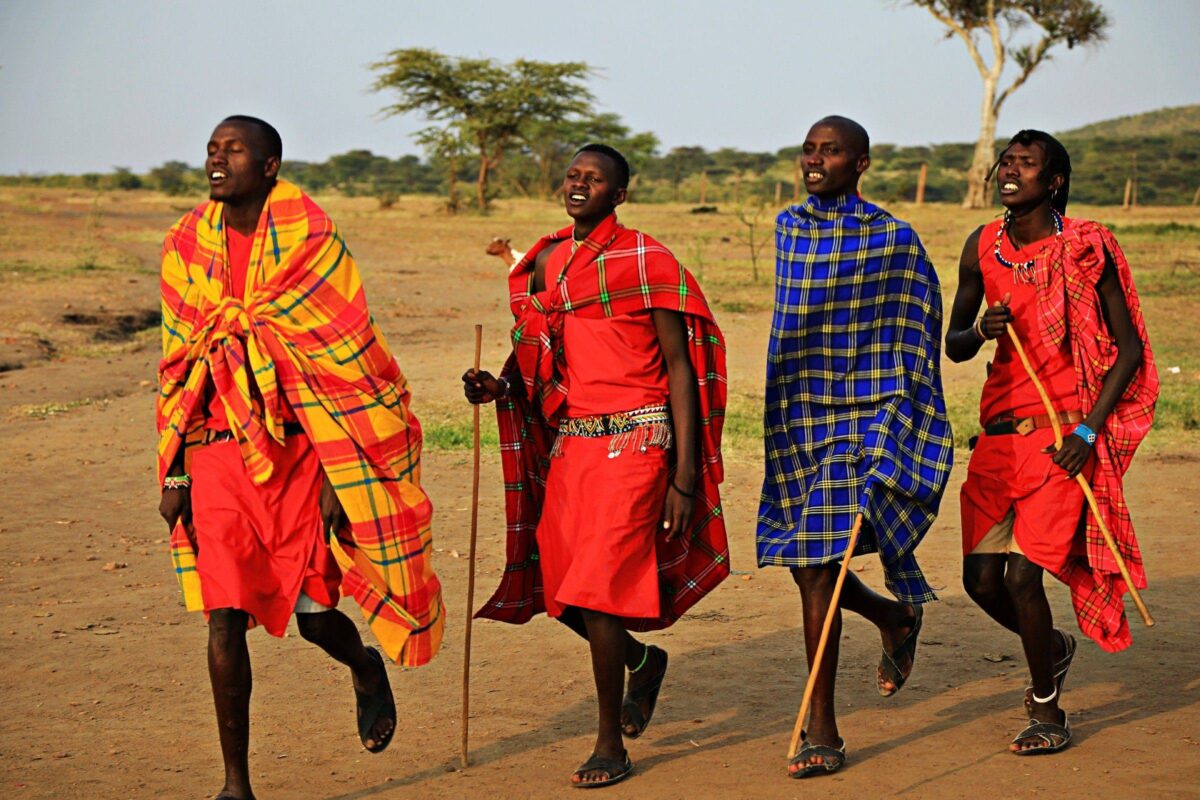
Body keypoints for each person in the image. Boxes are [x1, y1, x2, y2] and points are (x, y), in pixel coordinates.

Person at [157, 116, 444, 800]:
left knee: (317, 615)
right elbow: (178, 363)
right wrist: (174, 467)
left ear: (271, 165)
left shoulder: (311, 241)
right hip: (218, 455)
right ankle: (236, 786)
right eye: (212, 149)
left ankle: (364, 669)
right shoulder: (187, 243)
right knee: (224, 615)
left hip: (299, 455)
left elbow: (346, 364)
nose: (217, 160)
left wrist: (342, 475)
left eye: (234, 150)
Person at [463, 144, 729, 788]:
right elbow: (538, 357)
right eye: (574, 175)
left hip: (638, 444)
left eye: (596, 179)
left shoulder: (649, 260)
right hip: (573, 446)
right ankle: (641, 663)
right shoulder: (549, 261)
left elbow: (681, 372)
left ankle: (610, 741)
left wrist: (684, 478)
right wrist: (498, 389)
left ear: (620, 194)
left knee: (601, 589)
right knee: (561, 588)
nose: (580, 184)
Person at [946, 130, 1158, 755]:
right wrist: (980, 329)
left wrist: (1089, 430)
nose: (1010, 171)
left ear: (1054, 180)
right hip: (997, 440)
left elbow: (1129, 347)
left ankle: (1047, 711)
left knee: (1020, 578)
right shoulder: (981, 245)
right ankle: (1056, 648)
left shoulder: (1087, 248)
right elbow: (954, 343)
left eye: (1026, 164)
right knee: (980, 581)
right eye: (1006, 161)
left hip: (1062, 437)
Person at [757, 116, 953, 778]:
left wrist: (905, 409)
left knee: (818, 563)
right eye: (809, 149)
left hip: (868, 413)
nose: (815, 159)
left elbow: (918, 321)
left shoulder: (893, 238)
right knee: (802, 560)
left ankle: (823, 727)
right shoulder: (788, 229)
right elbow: (792, 326)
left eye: (831, 150)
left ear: (861, 163)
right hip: (803, 412)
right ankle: (893, 616)